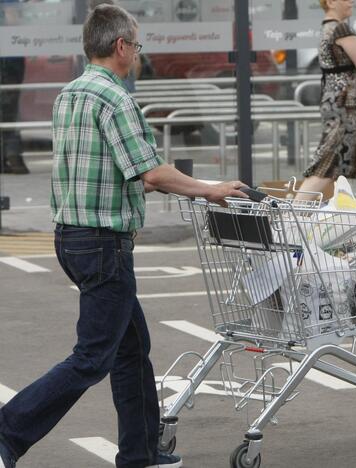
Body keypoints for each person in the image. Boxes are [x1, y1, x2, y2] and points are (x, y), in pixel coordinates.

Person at [0, 5, 248, 468]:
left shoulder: (69, 94)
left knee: (131, 349)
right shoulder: (115, 99)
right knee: (93, 356)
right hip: (102, 242)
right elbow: (150, 173)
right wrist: (211, 189)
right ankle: (8, 432)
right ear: (120, 47)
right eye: (136, 45)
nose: (136, 53)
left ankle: (139, 452)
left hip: (72, 236)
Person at [298, 0, 356, 209]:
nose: (352, 2)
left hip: (345, 106)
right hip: (345, 107)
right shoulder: (340, 28)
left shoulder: (328, 27)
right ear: (330, 2)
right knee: (327, 164)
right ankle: (287, 215)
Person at [0, 0, 29, 174]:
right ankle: (13, 155)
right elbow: (13, 21)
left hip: (8, 58)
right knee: (9, 107)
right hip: (10, 59)